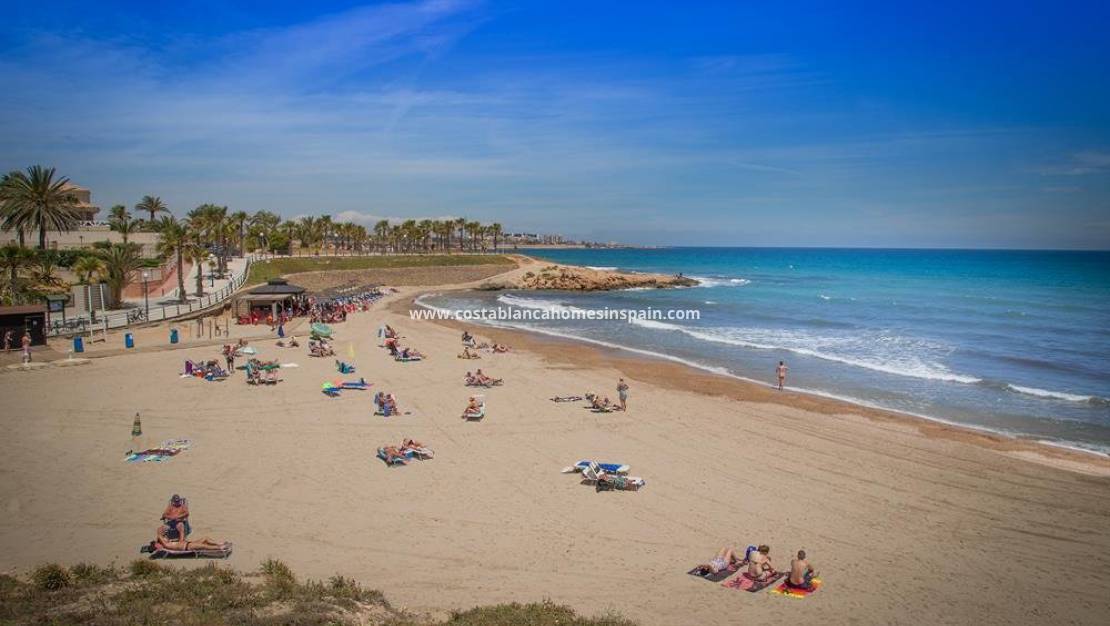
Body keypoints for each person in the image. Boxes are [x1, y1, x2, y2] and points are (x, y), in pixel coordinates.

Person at [154, 524, 228, 552]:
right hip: (188, 546)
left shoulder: (170, 542)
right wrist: (160, 535)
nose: (165, 537)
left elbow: (181, 541)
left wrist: (181, 531)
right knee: (205, 546)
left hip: (189, 543)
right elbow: (159, 535)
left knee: (205, 538)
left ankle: (219, 543)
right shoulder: (167, 545)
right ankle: (220, 548)